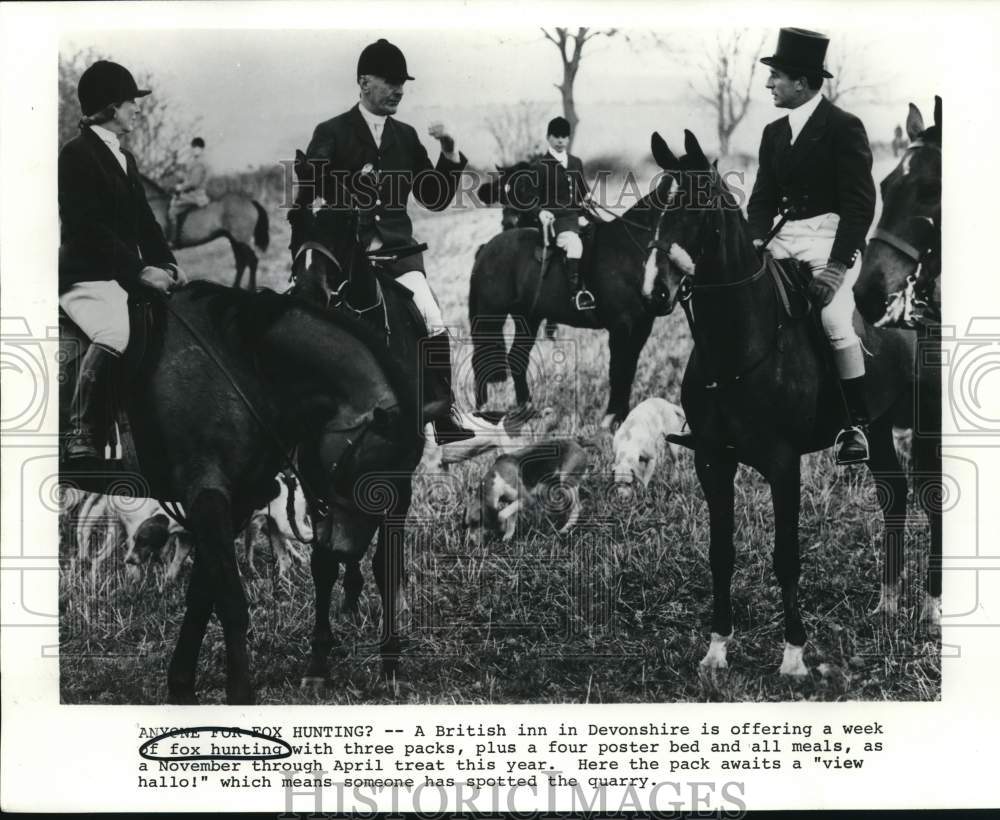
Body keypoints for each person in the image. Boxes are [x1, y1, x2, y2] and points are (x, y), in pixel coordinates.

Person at [300, 38, 473, 443]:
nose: (399, 89)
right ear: (363, 82)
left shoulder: (407, 136)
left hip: (398, 258)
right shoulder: (331, 132)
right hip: (342, 257)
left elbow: (434, 197)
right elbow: (310, 186)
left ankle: (443, 415)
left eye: (402, 83)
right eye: (390, 81)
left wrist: (448, 152)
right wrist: (348, 184)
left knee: (433, 319)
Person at [747, 28, 876, 465]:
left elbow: (861, 206)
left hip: (831, 241)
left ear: (802, 82)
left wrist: (837, 268)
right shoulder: (772, 133)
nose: (769, 85)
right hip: (782, 238)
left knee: (834, 317)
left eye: (776, 77)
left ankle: (855, 424)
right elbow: (761, 199)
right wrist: (753, 241)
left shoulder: (844, 128)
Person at [59, 60, 186, 465]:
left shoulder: (124, 158)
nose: (137, 108)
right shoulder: (76, 154)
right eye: (132, 102)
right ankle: (81, 433)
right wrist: (138, 270)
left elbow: (145, 223)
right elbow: (88, 228)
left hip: (117, 276)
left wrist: (167, 262)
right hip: (86, 279)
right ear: (112, 107)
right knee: (115, 331)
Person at [532, 116, 595, 311]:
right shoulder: (540, 166)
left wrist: (588, 197)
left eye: (564, 137)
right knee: (575, 245)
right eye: (556, 136)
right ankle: (575, 294)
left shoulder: (576, 162)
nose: (560, 141)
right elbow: (531, 198)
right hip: (557, 221)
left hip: (578, 216)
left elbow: (583, 190)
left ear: (568, 139)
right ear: (548, 138)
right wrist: (540, 211)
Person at [169, 136, 211, 246]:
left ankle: (174, 240)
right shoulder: (196, 161)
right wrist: (176, 170)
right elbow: (188, 178)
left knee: (172, 209)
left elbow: (194, 182)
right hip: (194, 193)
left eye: (196, 148)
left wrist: (180, 187)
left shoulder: (199, 163)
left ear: (200, 149)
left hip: (196, 195)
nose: (193, 150)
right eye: (193, 148)